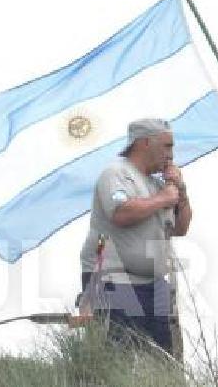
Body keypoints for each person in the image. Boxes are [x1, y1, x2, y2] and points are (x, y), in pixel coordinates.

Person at [79, 118, 192, 356]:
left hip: (155, 284)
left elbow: (181, 228)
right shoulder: (116, 174)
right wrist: (164, 199)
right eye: (167, 146)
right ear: (144, 143)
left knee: (164, 359)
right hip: (115, 281)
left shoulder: (157, 184)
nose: (171, 154)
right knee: (121, 357)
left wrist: (180, 190)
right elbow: (121, 213)